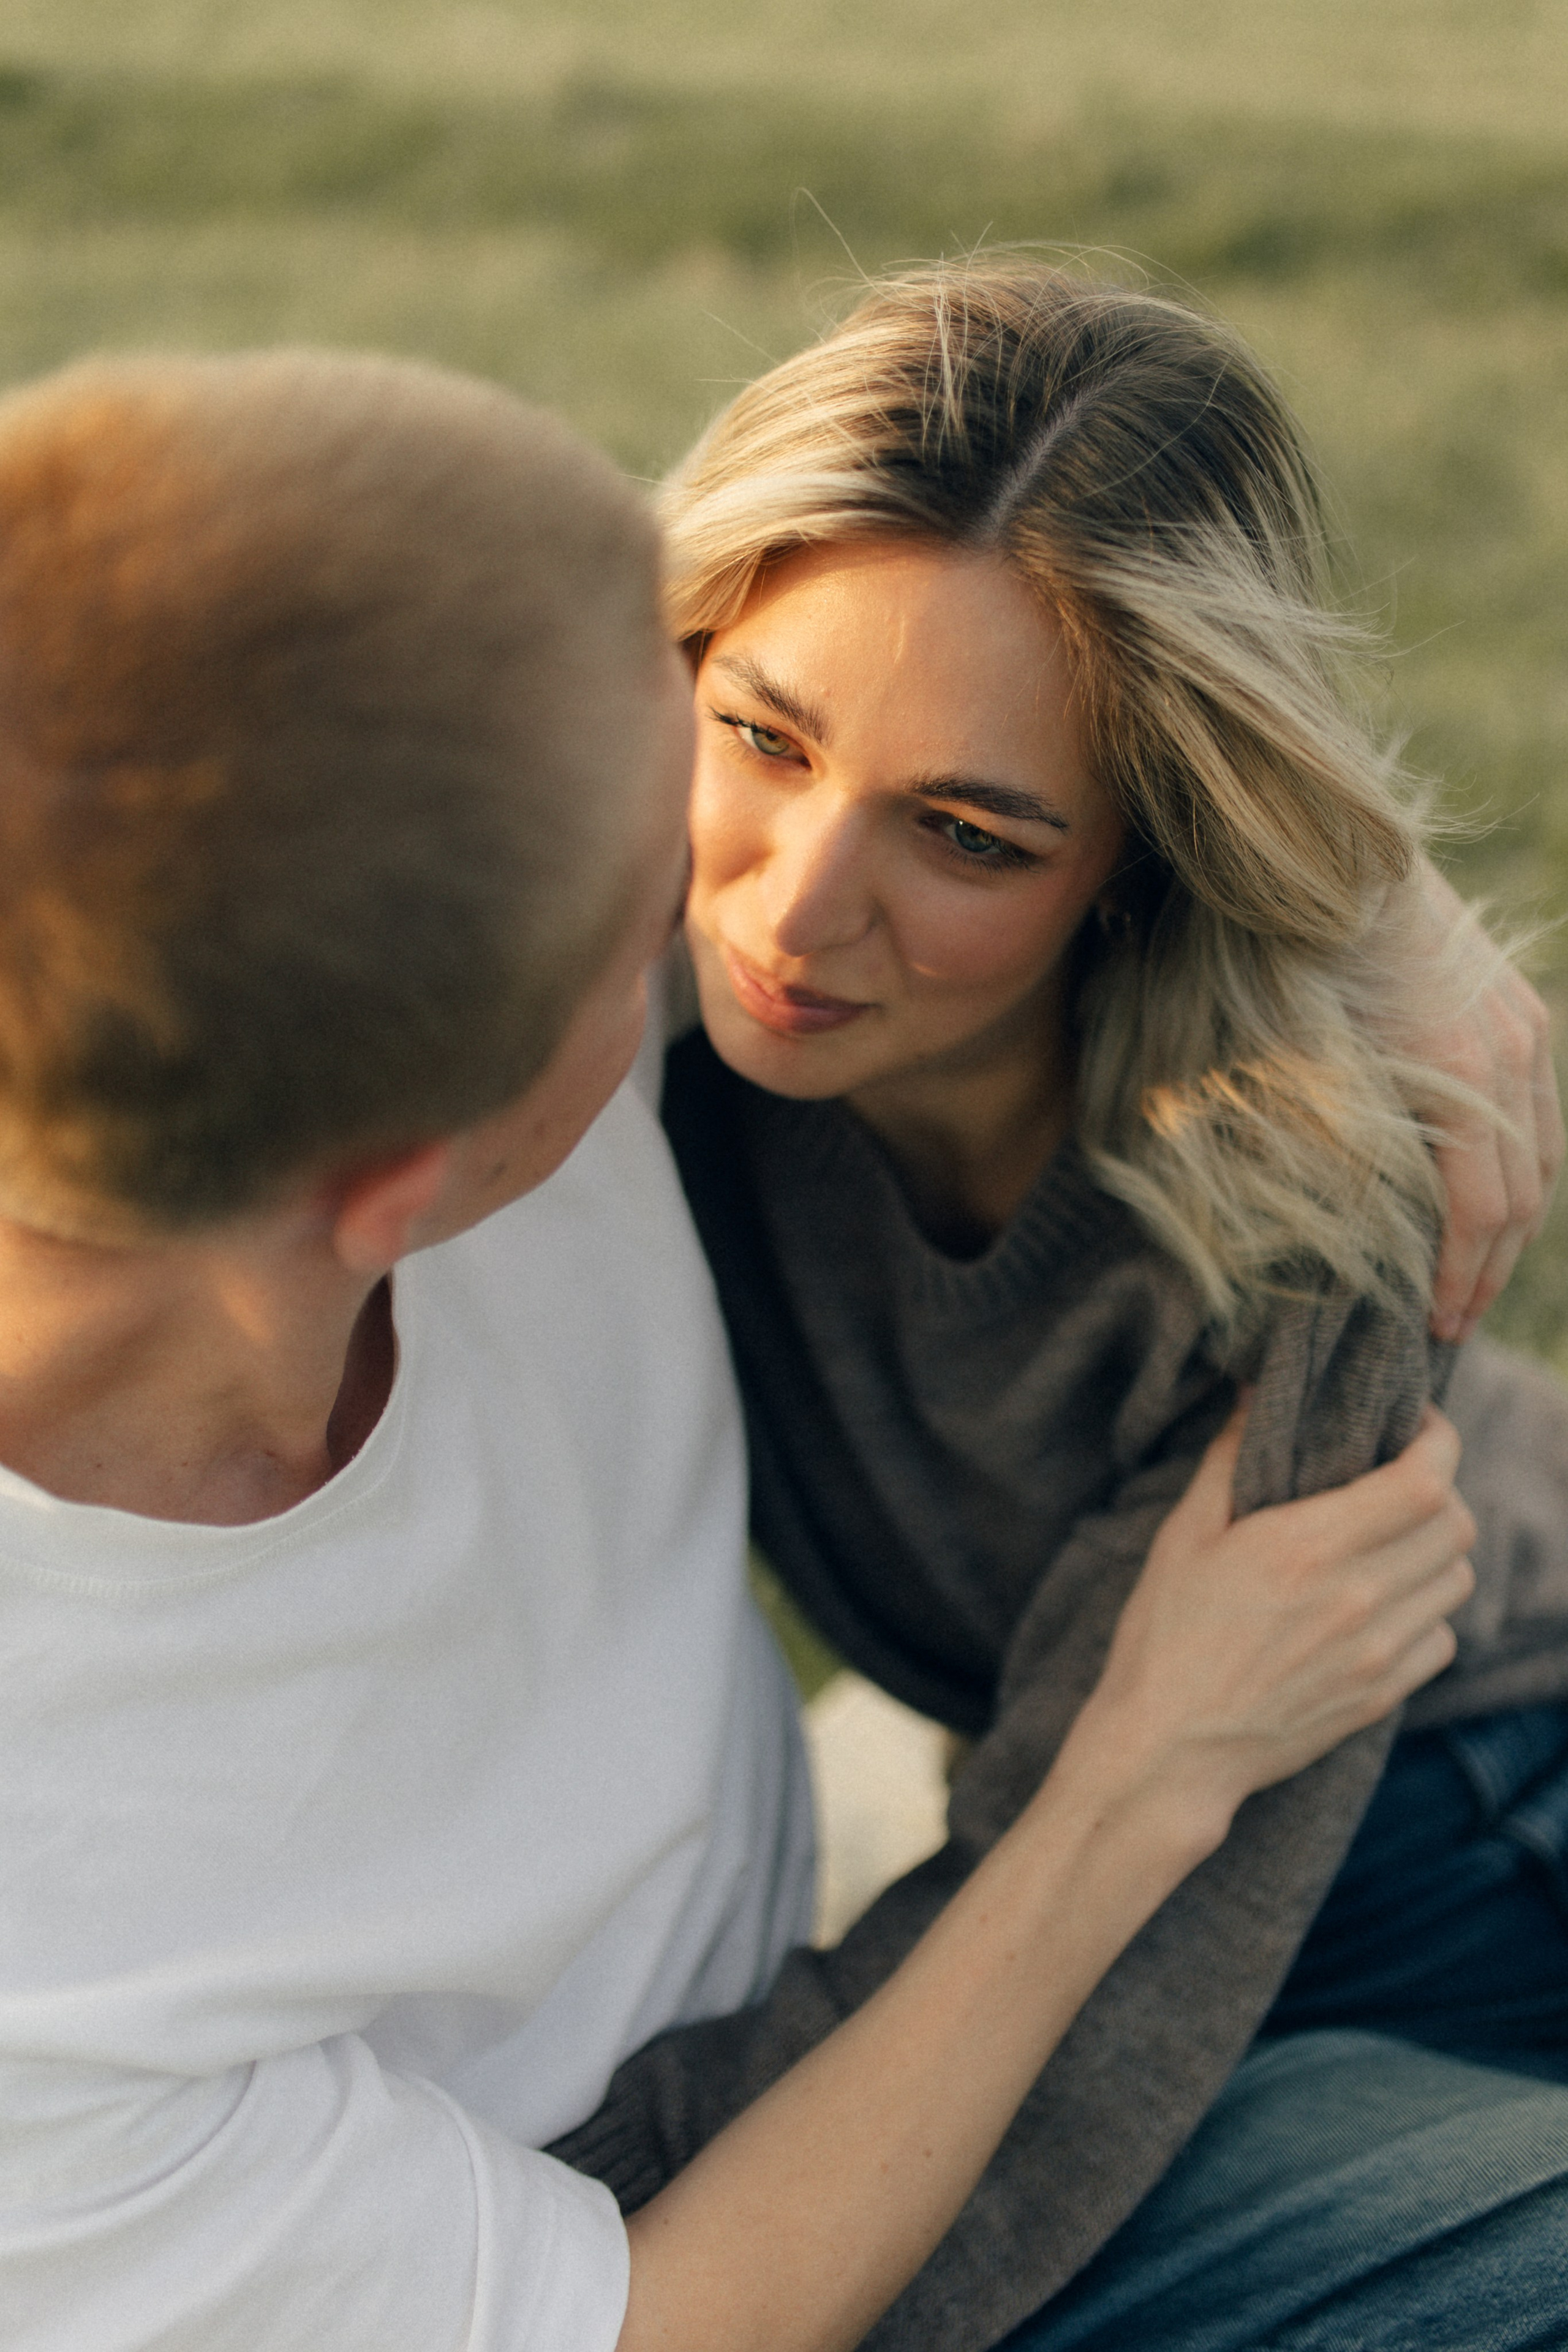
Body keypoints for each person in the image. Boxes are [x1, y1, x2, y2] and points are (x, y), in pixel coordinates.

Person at [0, 345, 1520, 2352]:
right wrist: (1142, 1769)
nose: (751, 926)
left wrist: (1363, 897)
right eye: (638, 875)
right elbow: (671, 2322)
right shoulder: (48, 1978)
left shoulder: (312, 1002)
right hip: (776, 2201)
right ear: (403, 1178)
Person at [545, 260, 1568, 2349]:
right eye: (764, 734)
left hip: (1458, 1816)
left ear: (1135, 856)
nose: (798, 911)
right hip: (1137, 1822)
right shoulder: (630, 958)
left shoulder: (1290, 1218)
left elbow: (1089, 1926)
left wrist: (578, 2240)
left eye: (967, 833)